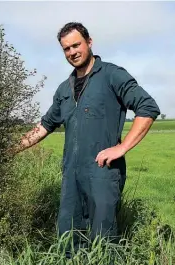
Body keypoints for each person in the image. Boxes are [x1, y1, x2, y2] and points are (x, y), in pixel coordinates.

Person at [11, 22, 160, 256]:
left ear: (89, 42)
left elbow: (147, 107)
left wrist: (121, 148)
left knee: (104, 240)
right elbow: (45, 125)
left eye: (76, 45)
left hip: (103, 171)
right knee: (68, 237)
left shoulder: (112, 75)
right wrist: (10, 149)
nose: (72, 52)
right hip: (71, 174)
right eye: (66, 49)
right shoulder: (63, 89)